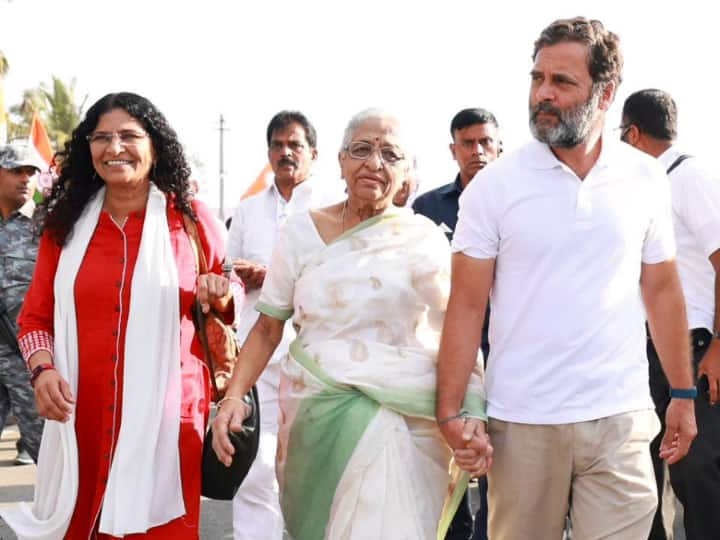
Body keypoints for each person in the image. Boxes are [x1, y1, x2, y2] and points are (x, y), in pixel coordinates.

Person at [437, 17, 698, 540]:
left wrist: (683, 393)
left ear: (606, 93)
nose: (543, 95)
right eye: (538, 79)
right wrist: (450, 412)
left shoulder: (645, 178)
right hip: (523, 422)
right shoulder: (494, 187)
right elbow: (465, 305)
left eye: (562, 82)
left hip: (621, 421)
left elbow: (662, 289)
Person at [214, 108, 487, 540]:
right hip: (318, 417)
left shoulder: (426, 241)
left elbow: (455, 334)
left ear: (407, 172)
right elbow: (268, 328)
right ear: (340, 161)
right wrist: (233, 397)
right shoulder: (302, 233)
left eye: (390, 154)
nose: (374, 163)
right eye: (361, 149)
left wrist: (471, 410)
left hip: (405, 422)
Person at [0, 92, 234, 539]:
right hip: (80, 415)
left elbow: (230, 290)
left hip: (168, 417)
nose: (114, 147)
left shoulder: (190, 220)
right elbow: (35, 319)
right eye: (101, 137)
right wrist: (43, 370)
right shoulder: (63, 225)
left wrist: (220, 293)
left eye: (129, 135)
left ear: (155, 145)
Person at [227, 110, 341, 540]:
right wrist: (241, 277)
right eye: (277, 145)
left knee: (314, 463)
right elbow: (226, 275)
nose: (285, 153)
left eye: (295, 145)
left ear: (314, 153)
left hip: (315, 355)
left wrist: (274, 274)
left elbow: (339, 277)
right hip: (258, 350)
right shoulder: (248, 208)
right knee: (255, 464)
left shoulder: (333, 208)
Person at [621, 88, 720, 540]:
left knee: (697, 474)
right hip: (646, 352)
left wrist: (719, 345)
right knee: (642, 478)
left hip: (697, 347)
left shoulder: (689, 177)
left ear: (634, 134)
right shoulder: (643, 189)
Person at [413, 108, 501, 540]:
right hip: (446, 353)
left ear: (499, 146)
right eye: (468, 143)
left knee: (495, 472)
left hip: (504, 353)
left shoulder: (517, 202)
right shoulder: (427, 209)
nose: (478, 151)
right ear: (453, 149)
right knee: (449, 466)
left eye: (486, 142)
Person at [0, 142, 45, 466]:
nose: (25, 178)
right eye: (17, 171)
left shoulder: (47, 226)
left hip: (29, 357)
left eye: (31, 172)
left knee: (46, 446)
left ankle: (65, 516)